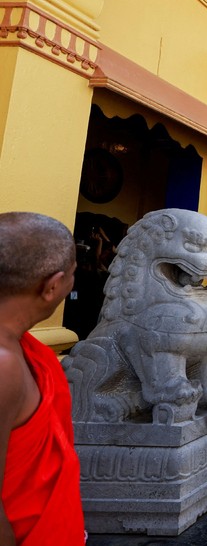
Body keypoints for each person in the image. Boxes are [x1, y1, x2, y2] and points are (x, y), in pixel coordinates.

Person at [0, 212, 86, 545]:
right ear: (52, 286)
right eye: (73, 276)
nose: (71, 286)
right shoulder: (4, 364)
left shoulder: (24, 346)